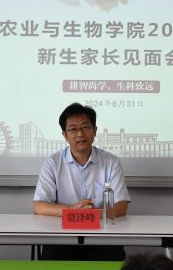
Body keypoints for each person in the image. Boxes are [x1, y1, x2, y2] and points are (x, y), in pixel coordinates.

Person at [33, 103, 131, 261]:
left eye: (85, 127)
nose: (80, 134)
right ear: (65, 135)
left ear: (95, 131)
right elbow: (39, 206)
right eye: (73, 129)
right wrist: (72, 211)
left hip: (102, 236)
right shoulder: (53, 163)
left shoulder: (111, 162)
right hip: (62, 236)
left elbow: (121, 207)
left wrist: (90, 215)